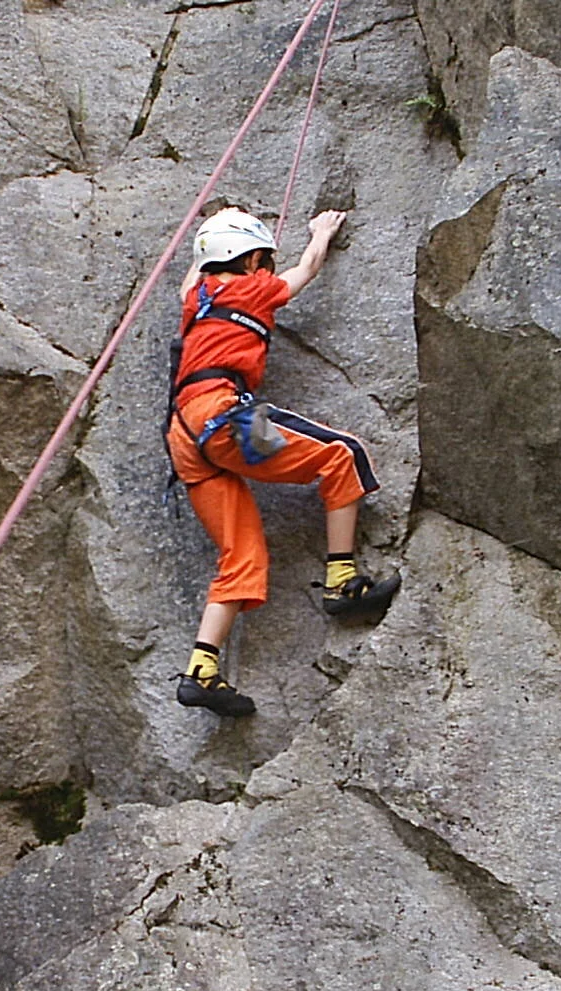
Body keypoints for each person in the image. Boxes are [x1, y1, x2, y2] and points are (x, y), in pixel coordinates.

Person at [167, 206, 399, 719]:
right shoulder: (253, 288)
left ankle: (201, 669)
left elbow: (196, 269)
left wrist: (212, 225)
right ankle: (341, 579)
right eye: (261, 259)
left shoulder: (195, 296)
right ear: (247, 260)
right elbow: (307, 270)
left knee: (241, 555)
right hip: (226, 418)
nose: (267, 267)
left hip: (185, 435)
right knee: (342, 454)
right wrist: (320, 233)